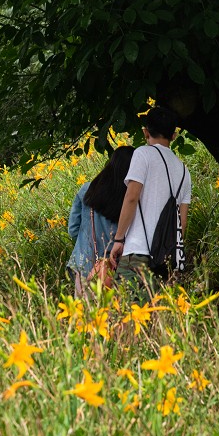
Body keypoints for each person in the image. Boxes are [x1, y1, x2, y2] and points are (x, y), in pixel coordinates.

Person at [110, 106, 192, 300]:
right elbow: (182, 222)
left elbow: (131, 197)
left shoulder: (143, 154)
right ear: (174, 135)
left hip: (136, 252)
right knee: (154, 321)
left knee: (126, 319)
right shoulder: (184, 171)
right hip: (165, 259)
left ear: (145, 132)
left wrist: (119, 239)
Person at [67, 145, 135, 298]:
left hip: (84, 262)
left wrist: (86, 243)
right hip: (118, 265)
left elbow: (72, 229)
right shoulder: (132, 197)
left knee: (86, 313)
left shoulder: (87, 189)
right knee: (115, 314)